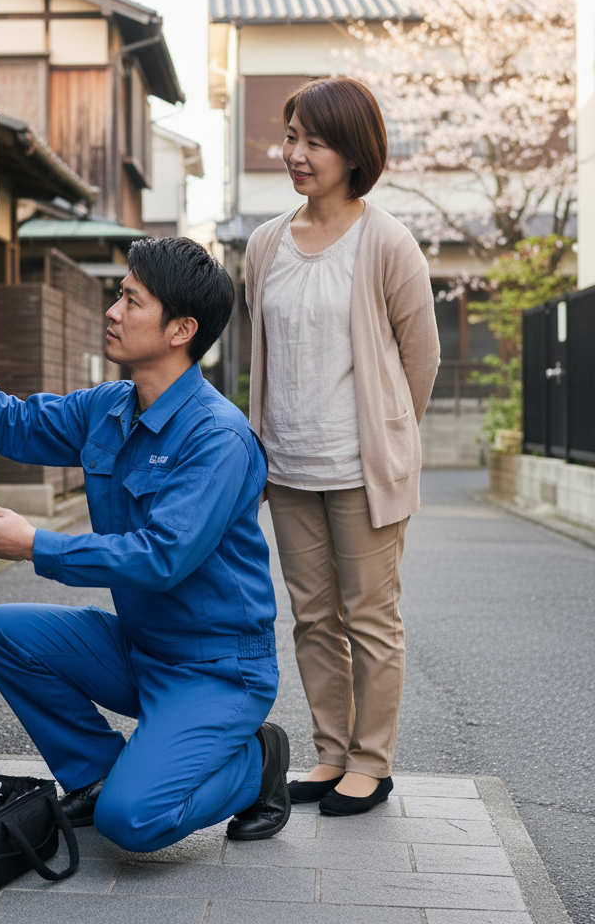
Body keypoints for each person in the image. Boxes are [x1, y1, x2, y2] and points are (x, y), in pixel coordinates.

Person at [0, 237, 291, 852]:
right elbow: (15, 425)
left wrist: (36, 545)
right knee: (3, 633)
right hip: (142, 648)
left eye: (131, 300)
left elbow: (161, 557)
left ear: (182, 329)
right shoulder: (110, 407)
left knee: (133, 824)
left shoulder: (218, 439)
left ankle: (257, 765)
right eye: (118, 295)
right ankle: (98, 774)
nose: (112, 311)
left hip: (217, 669)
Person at [241, 77, 440, 820]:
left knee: (371, 619)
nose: (295, 153)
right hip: (288, 468)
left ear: (354, 152)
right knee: (314, 617)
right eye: (291, 136)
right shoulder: (264, 244)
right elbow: (262, 353)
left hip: (361, 472)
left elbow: (420, 357)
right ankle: (330, 752)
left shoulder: (385, 241)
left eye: (314, 141)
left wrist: (390, 433)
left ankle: (372, 762)